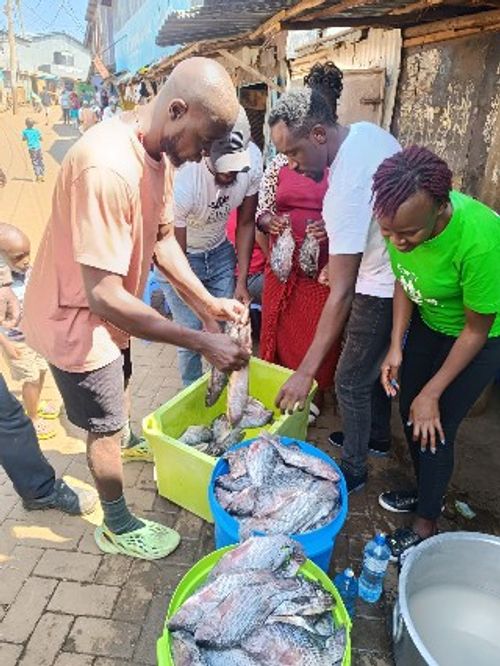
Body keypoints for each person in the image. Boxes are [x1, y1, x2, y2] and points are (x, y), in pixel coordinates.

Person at [23, 57, 249, 561]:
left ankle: (123, 440)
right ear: (175, 110)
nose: (202, 157)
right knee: (102, 422)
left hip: (109, 310)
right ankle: (118, 522)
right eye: (202, 141)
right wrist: (200, 340)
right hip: (77, 316)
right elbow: (104, 296)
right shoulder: (106, 167)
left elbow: (163, 238)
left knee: (120, 386)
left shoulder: (158, 153)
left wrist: (206, 302)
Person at [269, 86, 401, 492]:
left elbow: (341, 293)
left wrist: (304, 373)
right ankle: (376, 436)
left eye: (295, 153)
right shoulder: (365, 132)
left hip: (379, 287)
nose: (292, 166)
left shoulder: (343, 187)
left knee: (348, 380)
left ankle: (355, 469)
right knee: (369, 369)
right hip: (394, 272)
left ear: (320, 135)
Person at [372, 146, 500, 559]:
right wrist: (396, 345)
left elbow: (476, 330)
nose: (396, 241)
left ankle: (427, 523)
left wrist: (434, 392)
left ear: (440, 210)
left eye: (407, 234)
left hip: (478, 337)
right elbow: (405, 281)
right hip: (431, 320)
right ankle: (424, 489)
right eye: (388, 233)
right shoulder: (398, 218)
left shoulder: (479, 240)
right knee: (410, 408)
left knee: (436, 422)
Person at [257, 62, 346, 422]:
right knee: (278, 332)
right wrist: (271, 221)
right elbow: (261, 209)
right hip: (281, 265)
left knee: (315, 334)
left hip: (322, 272)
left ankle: (313, 395)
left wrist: (332, 228)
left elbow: (357, 221)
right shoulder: (281, 161)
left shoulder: (341, 162)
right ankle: (277, 386)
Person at [159, 106, 263, 386]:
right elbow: (175, 258)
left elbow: (245, 224)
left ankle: (228, 400)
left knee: (231, 332)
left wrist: (241, 280)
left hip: (219, 254)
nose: (231, 174)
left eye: (236, 167)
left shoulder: (253, 161)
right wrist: (206, 318)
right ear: (207, 151)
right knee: (193, 337)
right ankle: (192, 398)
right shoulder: (184, 179)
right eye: (223, 165)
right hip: (181, 260)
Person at [0, 223, 57, 439]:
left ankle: (36, 403)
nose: (25, 261)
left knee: (41, 371)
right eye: (17, 257)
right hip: (17, 342)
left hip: (35, 336)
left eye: (27, 254)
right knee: (31, 378)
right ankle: (32, 418)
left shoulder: (27, 271)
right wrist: (7, 345)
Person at [22, 118, 45, 182]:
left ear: (26, 124)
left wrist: (27, 138)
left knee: (35, 162)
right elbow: (41, 138)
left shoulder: (25, 131)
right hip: (38, 148)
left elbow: (23, 139)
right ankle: (42, 174)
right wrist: (41, 139)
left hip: (32, 149)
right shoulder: (36, 131)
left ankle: (38, 175)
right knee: (40, 160)